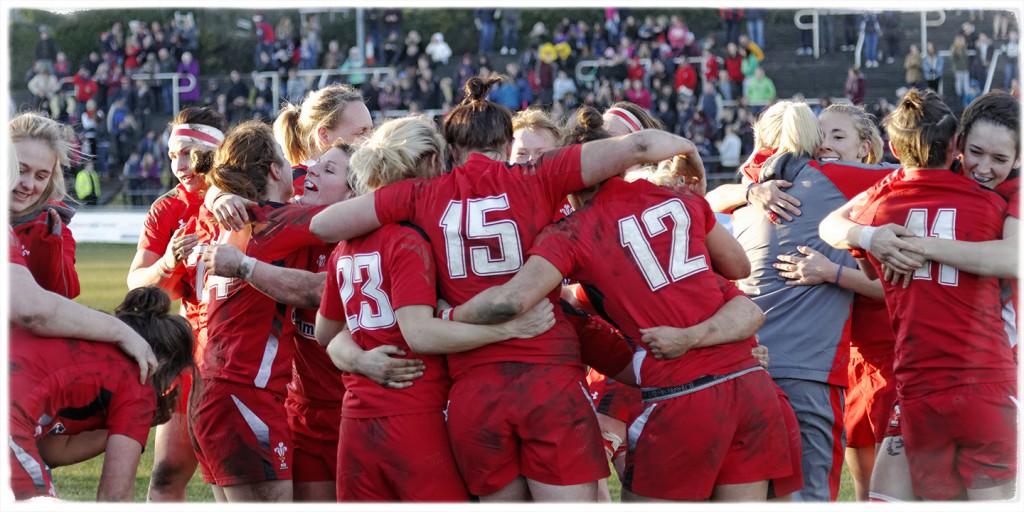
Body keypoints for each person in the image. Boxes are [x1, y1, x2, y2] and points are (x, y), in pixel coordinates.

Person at [309, 76, 705, 502]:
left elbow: (323, 225)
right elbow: (640, 147)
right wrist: (691, 152)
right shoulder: (537, 175)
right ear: (504, 143)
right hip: (547, 376)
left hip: (474, 391)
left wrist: (396, 201)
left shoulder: (421, 194)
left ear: (452, 150)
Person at [447, 106, 790, 502]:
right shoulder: (677, 198)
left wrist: (446, 315)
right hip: (748, 385)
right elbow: (737, 266)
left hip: (681, 390)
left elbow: (513, 299)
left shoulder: (570, 233)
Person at [316, 115, 555, 501]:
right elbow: (421, 333)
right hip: (415, 409)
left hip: (357, 418)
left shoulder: (346, 245)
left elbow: (326, 334)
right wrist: (508, 330)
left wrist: (359, 359)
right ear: (430, 162)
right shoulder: (410, 239)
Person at [822, 91, 1020, 502]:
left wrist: (906, 243)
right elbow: (835, 227)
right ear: (956, 144)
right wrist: (870, 236)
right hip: (934, 383)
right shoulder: (981, 200)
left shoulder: (888, 199)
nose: (984, 168)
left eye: (999, 160)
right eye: (976, 152)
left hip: (987, 373)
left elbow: (1012, 258)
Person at [730, 101, 895, 502]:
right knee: (816, 492)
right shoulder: (832, 178)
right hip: (819, 366)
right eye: (820, 136)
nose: (825, 145)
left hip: (759, 363)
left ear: (866, 147)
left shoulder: (755, 188)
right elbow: (923, 172)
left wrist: (747, 189)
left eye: (837, 136)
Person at [184, 121, 331, 502]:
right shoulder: (274, 220)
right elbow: (355, 210)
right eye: (284, 159)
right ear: (273, 170)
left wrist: (216, 193)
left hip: (215, 389)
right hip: (243, 392)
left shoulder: (232, 220)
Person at [122, 107, 228, 502]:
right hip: (194, 351)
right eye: (171, 155)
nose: (178, 165)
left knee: (231, 476)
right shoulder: (168, 208)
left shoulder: (250, 196)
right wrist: (167, 262)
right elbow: (138, 283)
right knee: (166, 475)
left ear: (215, 152)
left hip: (251, 356)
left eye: (188, 153)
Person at [8, 287, 194, 502]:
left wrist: (128, 425)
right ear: (161, 364)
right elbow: (115, 496)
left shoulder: (86, 341)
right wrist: (138, 417)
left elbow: (53, 452)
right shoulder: (138, 380)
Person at [10, 111, 80, 299]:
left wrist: (49, 243)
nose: (28, 184)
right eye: (20, 170)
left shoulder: (55, 229)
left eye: (41, 176)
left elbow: (66, 293)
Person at [272, 83, 373, 193]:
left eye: (370, 131)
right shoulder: (296, 185)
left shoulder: (364, 179)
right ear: (324, 135)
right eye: (360, 132)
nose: (370, 140)